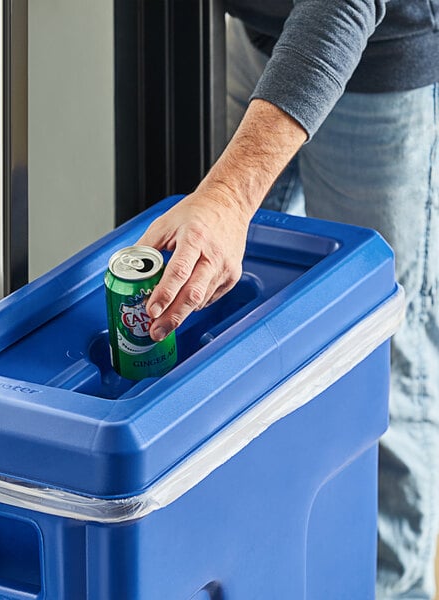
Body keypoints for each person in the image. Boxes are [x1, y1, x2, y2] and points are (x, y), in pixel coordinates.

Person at [136, 2, 439, 599]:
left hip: (375, 64)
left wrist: (228, 193)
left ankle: (386, 587)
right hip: (244, 38)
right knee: (226, 316)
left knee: (382, 346)